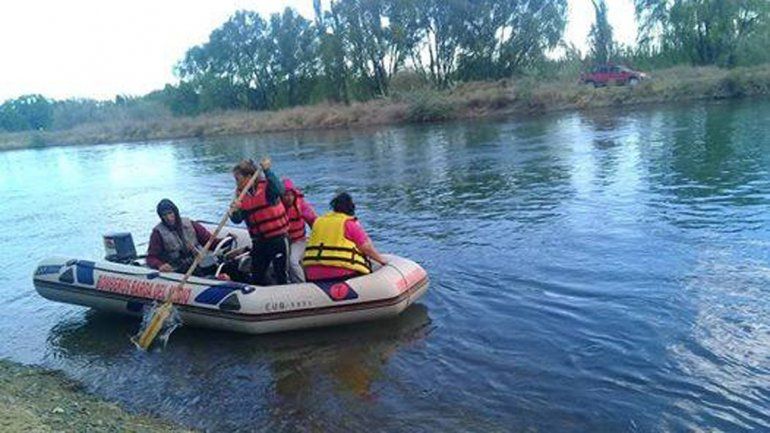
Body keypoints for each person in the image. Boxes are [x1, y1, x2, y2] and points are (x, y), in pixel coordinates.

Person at [230, 158, 290, 285]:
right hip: (259, 242)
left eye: (238, 179)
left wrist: (267, 170)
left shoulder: (267, 188)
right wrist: (234, 210)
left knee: (281, 273)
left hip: (277, 239)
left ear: (249, 177)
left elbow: (280, 190)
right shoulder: (240, 196)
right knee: (257, 274)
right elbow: (237, 220)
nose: (236, 183)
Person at [303, 192, 388, 282]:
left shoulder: (318, 222)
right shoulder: (349, 224)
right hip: (341, 275)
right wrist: (381, 260)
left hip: (312, 275)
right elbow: (366, 248)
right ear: (351, 208)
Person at [146, 199, 218, 275]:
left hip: (198, 262)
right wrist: (160, 265)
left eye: (170, 213)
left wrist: (228, 241)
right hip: (177, 270)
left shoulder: (191, 224)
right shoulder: (157, 233)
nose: (168, 217)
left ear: (175, 212)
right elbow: (151, 257)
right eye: (164, 215)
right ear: (161, 217)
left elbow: (210, 242)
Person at [282, 177, 318, 283]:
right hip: (284, 241)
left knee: (293, 261)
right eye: (286, 195)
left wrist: (315, 239)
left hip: (299, 240)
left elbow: (313, 220)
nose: (289, 198)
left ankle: (302, 285)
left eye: (291, 195)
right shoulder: (277, 206)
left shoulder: (301, 205)